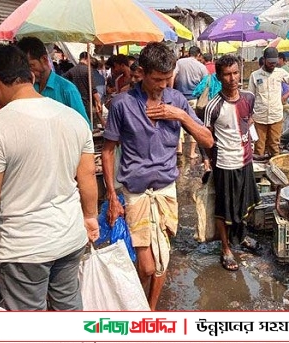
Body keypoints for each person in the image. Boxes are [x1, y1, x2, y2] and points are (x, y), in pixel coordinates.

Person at [0, 44, 99, 311]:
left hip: (25, 247)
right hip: (69, 237)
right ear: (30, 76)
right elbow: (88, 176)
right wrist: (90, 217)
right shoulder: (74, 119)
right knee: (68, 308)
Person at [101, 42, 213, 310]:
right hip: (136, 193)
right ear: (141, 72)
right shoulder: (123, 104)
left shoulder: (178, 101)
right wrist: (112, 195)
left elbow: (208, 140)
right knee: (148, 264)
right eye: (157, 79)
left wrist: (181, 116)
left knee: (162, 257)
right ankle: (137, 299)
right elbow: (107, 151)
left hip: (165, 190)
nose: (163, 85)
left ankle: (149, 309)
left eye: (167, 78)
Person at [204, 55, 260, 271]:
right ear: (219, 76)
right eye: (227, 74)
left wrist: (249, 142)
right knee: (223, 209)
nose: (232, 78)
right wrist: (208, 160)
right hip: (224, 164)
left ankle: (242, 236)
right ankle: (226, 249)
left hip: (245, 161)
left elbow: (248, 121)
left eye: (235, 73)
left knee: (243, 203)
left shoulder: (248, 98)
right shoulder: (213, 106)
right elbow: (206, 137)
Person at [16, 37, 91, 127]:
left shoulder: (67, 90)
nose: (29, 72)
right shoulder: (26, 89)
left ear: (44, 60)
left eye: (31, 65)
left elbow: (84, 127)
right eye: (24, 67)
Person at [248, 47, 289, 157]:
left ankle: (274, 167)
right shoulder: (255, 75)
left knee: (274, 145)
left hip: (276, 115)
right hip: (259, 116)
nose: (272, 65)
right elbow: (250, 96)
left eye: (274, 63)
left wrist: (285, 96)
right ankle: (260, 171)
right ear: (264, 60)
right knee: (259, 146)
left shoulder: (280, 73)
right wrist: (250, 116)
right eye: (270, 62)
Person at [173, 46, 208, 159]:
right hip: (194, 98)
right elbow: (206, 84)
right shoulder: (201, 67)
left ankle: (179, 148)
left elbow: (172, 75)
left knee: (178, 122)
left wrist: (170, 90)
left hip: (179, 96)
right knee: (193, 123)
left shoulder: (180, 62)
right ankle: (192, 152)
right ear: (198, 55)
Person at [64, 51, 105, 127]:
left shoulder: (71, 70)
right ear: (87, 58)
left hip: (74, 101)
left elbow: (63, 80)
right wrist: (98, 101)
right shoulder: (88, 70)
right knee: (87, 125)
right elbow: (93, 89)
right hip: (86, 102)